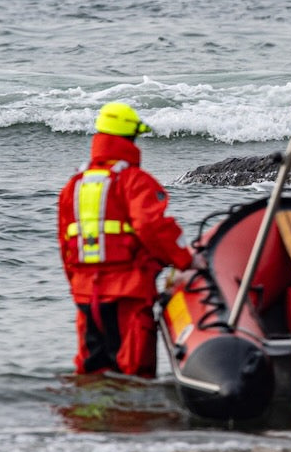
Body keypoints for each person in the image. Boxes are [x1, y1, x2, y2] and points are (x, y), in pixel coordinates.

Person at [58, 102, 193, 378]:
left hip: (86, 295)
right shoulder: (134, 181)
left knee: (91, 370)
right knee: (132, 372)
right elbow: (152, 227)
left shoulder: (74, 185)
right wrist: (186, 261)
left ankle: (91, 420)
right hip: (128, 293)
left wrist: (77, 285)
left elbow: (65, 245)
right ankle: (128, 418)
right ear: (131, 138)